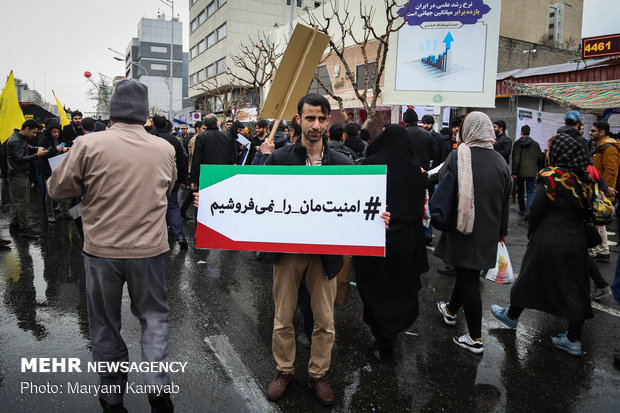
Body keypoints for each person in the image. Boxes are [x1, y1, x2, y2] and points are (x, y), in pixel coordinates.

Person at [47, 79, 176, 412]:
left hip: (102, 250)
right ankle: (158, 387)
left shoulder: (88, 145)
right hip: (148, 251)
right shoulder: (165, 148)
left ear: (112, 111)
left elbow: (58, 190)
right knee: (154, 318)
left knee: (104, 322)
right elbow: (169, 188)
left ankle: (112, 393)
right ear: (145, 113)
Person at [259, 93, 355, 406]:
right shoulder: (280, 158)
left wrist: (375, 215)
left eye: (321, 118)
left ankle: (318, 373)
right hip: (287, 250)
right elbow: (255, 198)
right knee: (283, 315)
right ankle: (284, 370)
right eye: (309, 118)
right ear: (298, 120)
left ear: (329, 122)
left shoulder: (343, 162)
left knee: (324, 319)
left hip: (326, 252)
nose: (315, 124)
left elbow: (358, 204)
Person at [491, 133, 596, 356]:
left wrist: (533, 233)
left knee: (530, 279)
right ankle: (574, 339)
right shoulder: (585, 178)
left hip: (549, 237)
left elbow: (537, 209)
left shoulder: (551, 176)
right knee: (576, 288)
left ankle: (511, 316)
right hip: (576, 241)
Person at [434, 112, 511, 354]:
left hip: (463, 226)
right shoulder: (500, 161)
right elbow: (505, 201)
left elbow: (442, 183)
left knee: (468, 279)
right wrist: (502, 231)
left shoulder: (459, 155)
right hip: (488, 230)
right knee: (467, 271)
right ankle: (450, 310)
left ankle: (475, 338)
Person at [352, 124, 428, 352]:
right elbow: (419, 207)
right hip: (406, 240)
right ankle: (393, 330)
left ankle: (380, 331)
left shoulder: (369, 165)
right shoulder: (416, 169)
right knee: (400, 288)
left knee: (374, 286)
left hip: (375, 237)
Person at [151, 115, 189, 248]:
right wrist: (182, 179)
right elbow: (182, 161)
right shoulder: (174, 140)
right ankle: (180, 235)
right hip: (171, 178)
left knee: (153, 207)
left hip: (151, 180)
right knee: (173, 206)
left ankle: (155, 237)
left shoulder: (148, 138)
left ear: (153, 125)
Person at [6, 120, 48, 238]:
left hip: (21, 173)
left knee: (23, 200)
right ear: (27, 129)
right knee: (23, 201)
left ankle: (15, 224)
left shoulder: (20, 138)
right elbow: (19, 158)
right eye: (34, 132)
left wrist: (35, 148)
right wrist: (37, 155)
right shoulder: (15, 140)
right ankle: (24, 228)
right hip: (18, 174)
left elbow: (25, 147)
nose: (35, 135)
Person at [589, 121, 619, 263]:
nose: (590, 133)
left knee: (598, 220)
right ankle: (602, 250)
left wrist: (603, 190)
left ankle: (597, 250)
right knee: (599, 221)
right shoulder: (600, 147)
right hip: (598, 189)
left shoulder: (609, 148)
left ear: (602, 132)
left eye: (593, 131)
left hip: (601, 191)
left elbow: (610, 171)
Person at [189, 114, 236, 190]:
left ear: (205, 124)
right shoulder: (225, 137)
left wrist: (194, 179)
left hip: (206, 173)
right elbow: (232, 157)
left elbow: (197, 159)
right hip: (222, 173)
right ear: (216, 123)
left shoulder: (201, 137)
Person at [36, 120, 68, 222]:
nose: (56, 134)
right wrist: (56, 150)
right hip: (48, 169)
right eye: (54, 132)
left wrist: (64, 149)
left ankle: (64, 211)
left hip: (60, 167)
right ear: (50, 131)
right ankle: (50, 213)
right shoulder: (44, 140)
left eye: (58, 132)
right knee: (49, 192)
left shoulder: (61, 138)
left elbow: (63, 145)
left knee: (63, 190)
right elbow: (43, 155)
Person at [512, 125, 544, 217]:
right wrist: (538, 168)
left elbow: (516, 159)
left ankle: (522, 209)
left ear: (521, 132)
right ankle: (528, 211)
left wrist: (514, 172)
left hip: (519, 172)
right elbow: (540, 158)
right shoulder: (535, 144)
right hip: (531, 171)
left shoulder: (517, 143)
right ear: (529, 133)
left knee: (521, 191)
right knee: (530, 191)